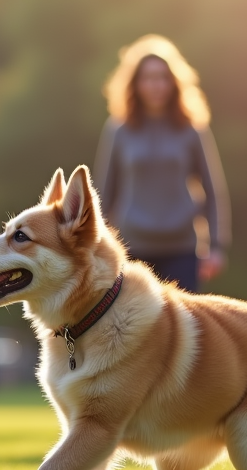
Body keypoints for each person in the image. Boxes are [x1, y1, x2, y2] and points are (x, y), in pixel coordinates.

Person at [93, 34, 230, 292]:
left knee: (182, 329)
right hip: (131, 247)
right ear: (135, 84)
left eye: (162, 78)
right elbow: (104, 193)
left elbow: (213, 190)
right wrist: (97, 247)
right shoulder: (118, 130)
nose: (156, 85)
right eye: (148, 78)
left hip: (183, 248)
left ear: (174, 83)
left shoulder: (192, 129)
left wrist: (216, 246)